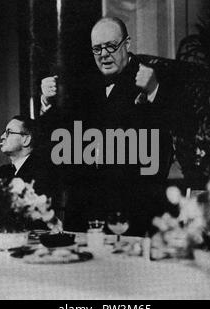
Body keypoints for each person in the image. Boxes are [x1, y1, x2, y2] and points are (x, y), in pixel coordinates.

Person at [40, 17, 178, 235]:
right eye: (97, 49)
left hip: (132, 208)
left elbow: (172, 129)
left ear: (127, 44)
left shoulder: (153, 77)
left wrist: (153, 91)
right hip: (85, 209)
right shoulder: (86, 84)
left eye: (111, 46)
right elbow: (60, 137)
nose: (104, 54)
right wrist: (47, 102)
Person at [0, 115, 56, 198]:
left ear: (26, 140)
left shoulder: (43, 173)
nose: (2, 137)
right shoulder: (1, 172)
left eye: (8, 132)